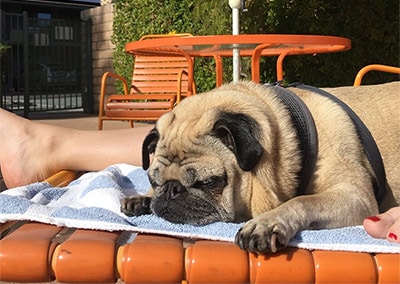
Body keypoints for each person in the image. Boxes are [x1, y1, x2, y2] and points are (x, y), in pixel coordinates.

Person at [0, 107, 399, 244]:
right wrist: (160, 193)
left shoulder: (321, 140)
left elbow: (357, 202)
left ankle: (44, 144)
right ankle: (44, 145)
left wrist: (289, 214)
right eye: (159, 180)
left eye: (208, 183)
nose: (171, 194)